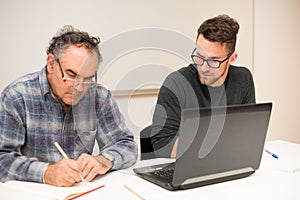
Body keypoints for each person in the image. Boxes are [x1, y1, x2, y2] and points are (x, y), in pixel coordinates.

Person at [0, 25, 138, 186]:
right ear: (51, 64)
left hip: (81, 191)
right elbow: (2, 158)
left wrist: (104, 160)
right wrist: (46, 173)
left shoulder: (98, 96)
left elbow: (127, 145)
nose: (79, 87)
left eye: (87, 78)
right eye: (72, 75)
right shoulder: (17, 96)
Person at [150, 14, 256, 158]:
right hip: (186, 165)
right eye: (199, 57)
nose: (204, 67)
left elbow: (248, 132)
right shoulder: (176, 83)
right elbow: (160, 144)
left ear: (232, 58)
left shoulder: (243, 79)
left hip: (227, 162)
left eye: (214, 61)